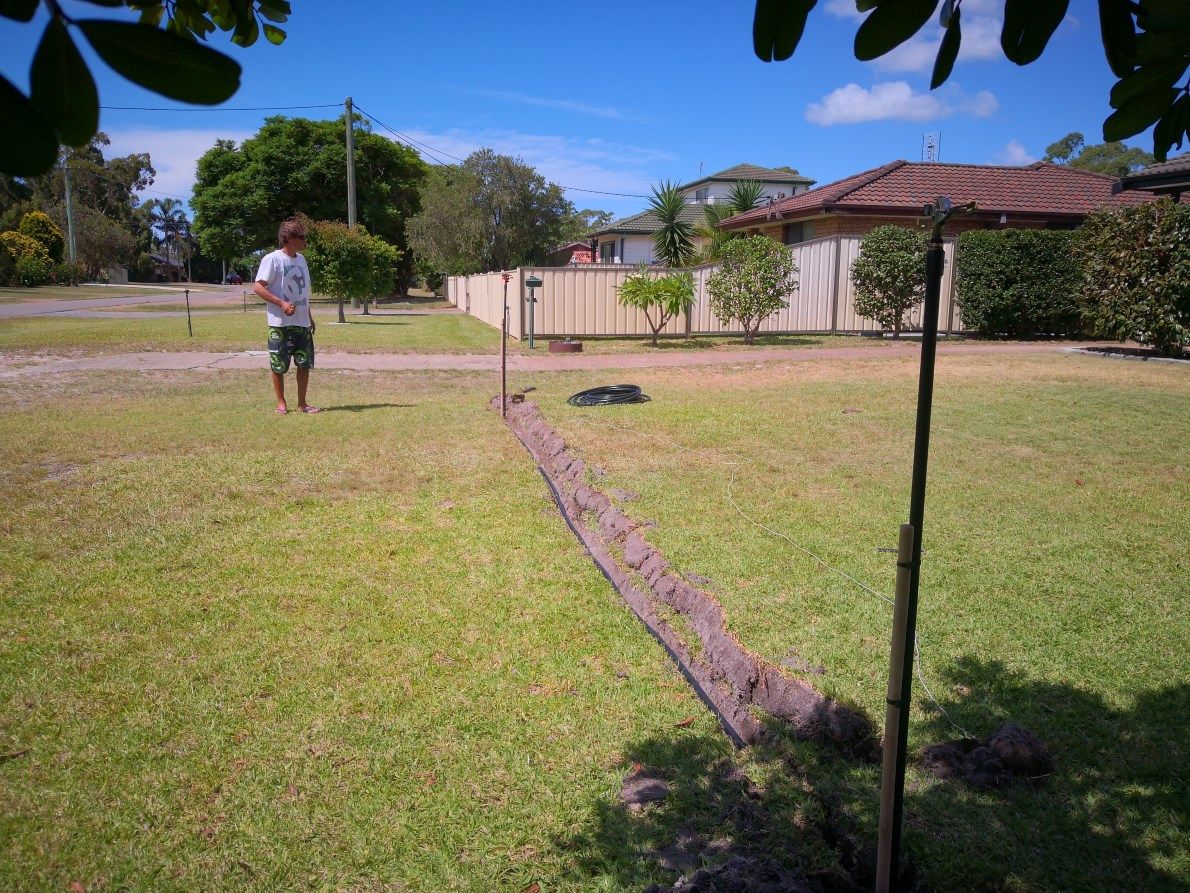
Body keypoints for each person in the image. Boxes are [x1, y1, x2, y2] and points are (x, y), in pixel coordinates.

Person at [254, 218, 320, 414]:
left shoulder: (301, 260)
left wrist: (309, 316)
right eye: (301, 237)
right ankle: (281, 402)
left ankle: (302, 403)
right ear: (289, 238)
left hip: (301, 322)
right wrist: (281, 303)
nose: (305, 240)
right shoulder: (272, 259)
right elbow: (258, 286)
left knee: (304, 363)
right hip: (280, 323)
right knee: (279, 364)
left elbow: (303, 293)